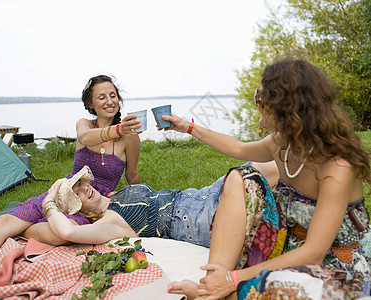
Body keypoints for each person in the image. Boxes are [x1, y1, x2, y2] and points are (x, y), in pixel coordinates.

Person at [158, 58, 371, 299]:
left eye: (261, 94)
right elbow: (238, 148)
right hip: (288, 246)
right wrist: (187, 127)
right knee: (242, 178)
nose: (256, 99)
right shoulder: (283, 144)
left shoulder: (337, 166)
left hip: (335, 265)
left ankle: (218, 289)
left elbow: (314, 253)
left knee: (268, 290)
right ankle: (213, 283)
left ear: (283, 105)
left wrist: (234, 279)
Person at [0, 75, 142, 260]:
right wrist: (118, 130)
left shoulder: (130, 138)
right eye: (102, 97)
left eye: (113, 95)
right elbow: (85, 138)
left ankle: (26, 229)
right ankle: (15, 227)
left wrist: (140, 196)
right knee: (3, 223)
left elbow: (131, 173)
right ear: (91, 104)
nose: (109, 101)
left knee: (63, 234)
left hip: (93, 202)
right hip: (66, 190)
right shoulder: (84, 124)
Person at [0, 161, 277, 261]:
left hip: (198, 194)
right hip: (195, 219)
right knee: (260, 191)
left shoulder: (116, 196)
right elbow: (65, 232)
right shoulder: (109, 221)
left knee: (269, 167)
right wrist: (48, 205)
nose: (84, 190)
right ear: (84, 212)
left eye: (81, 184)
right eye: (78, 197)